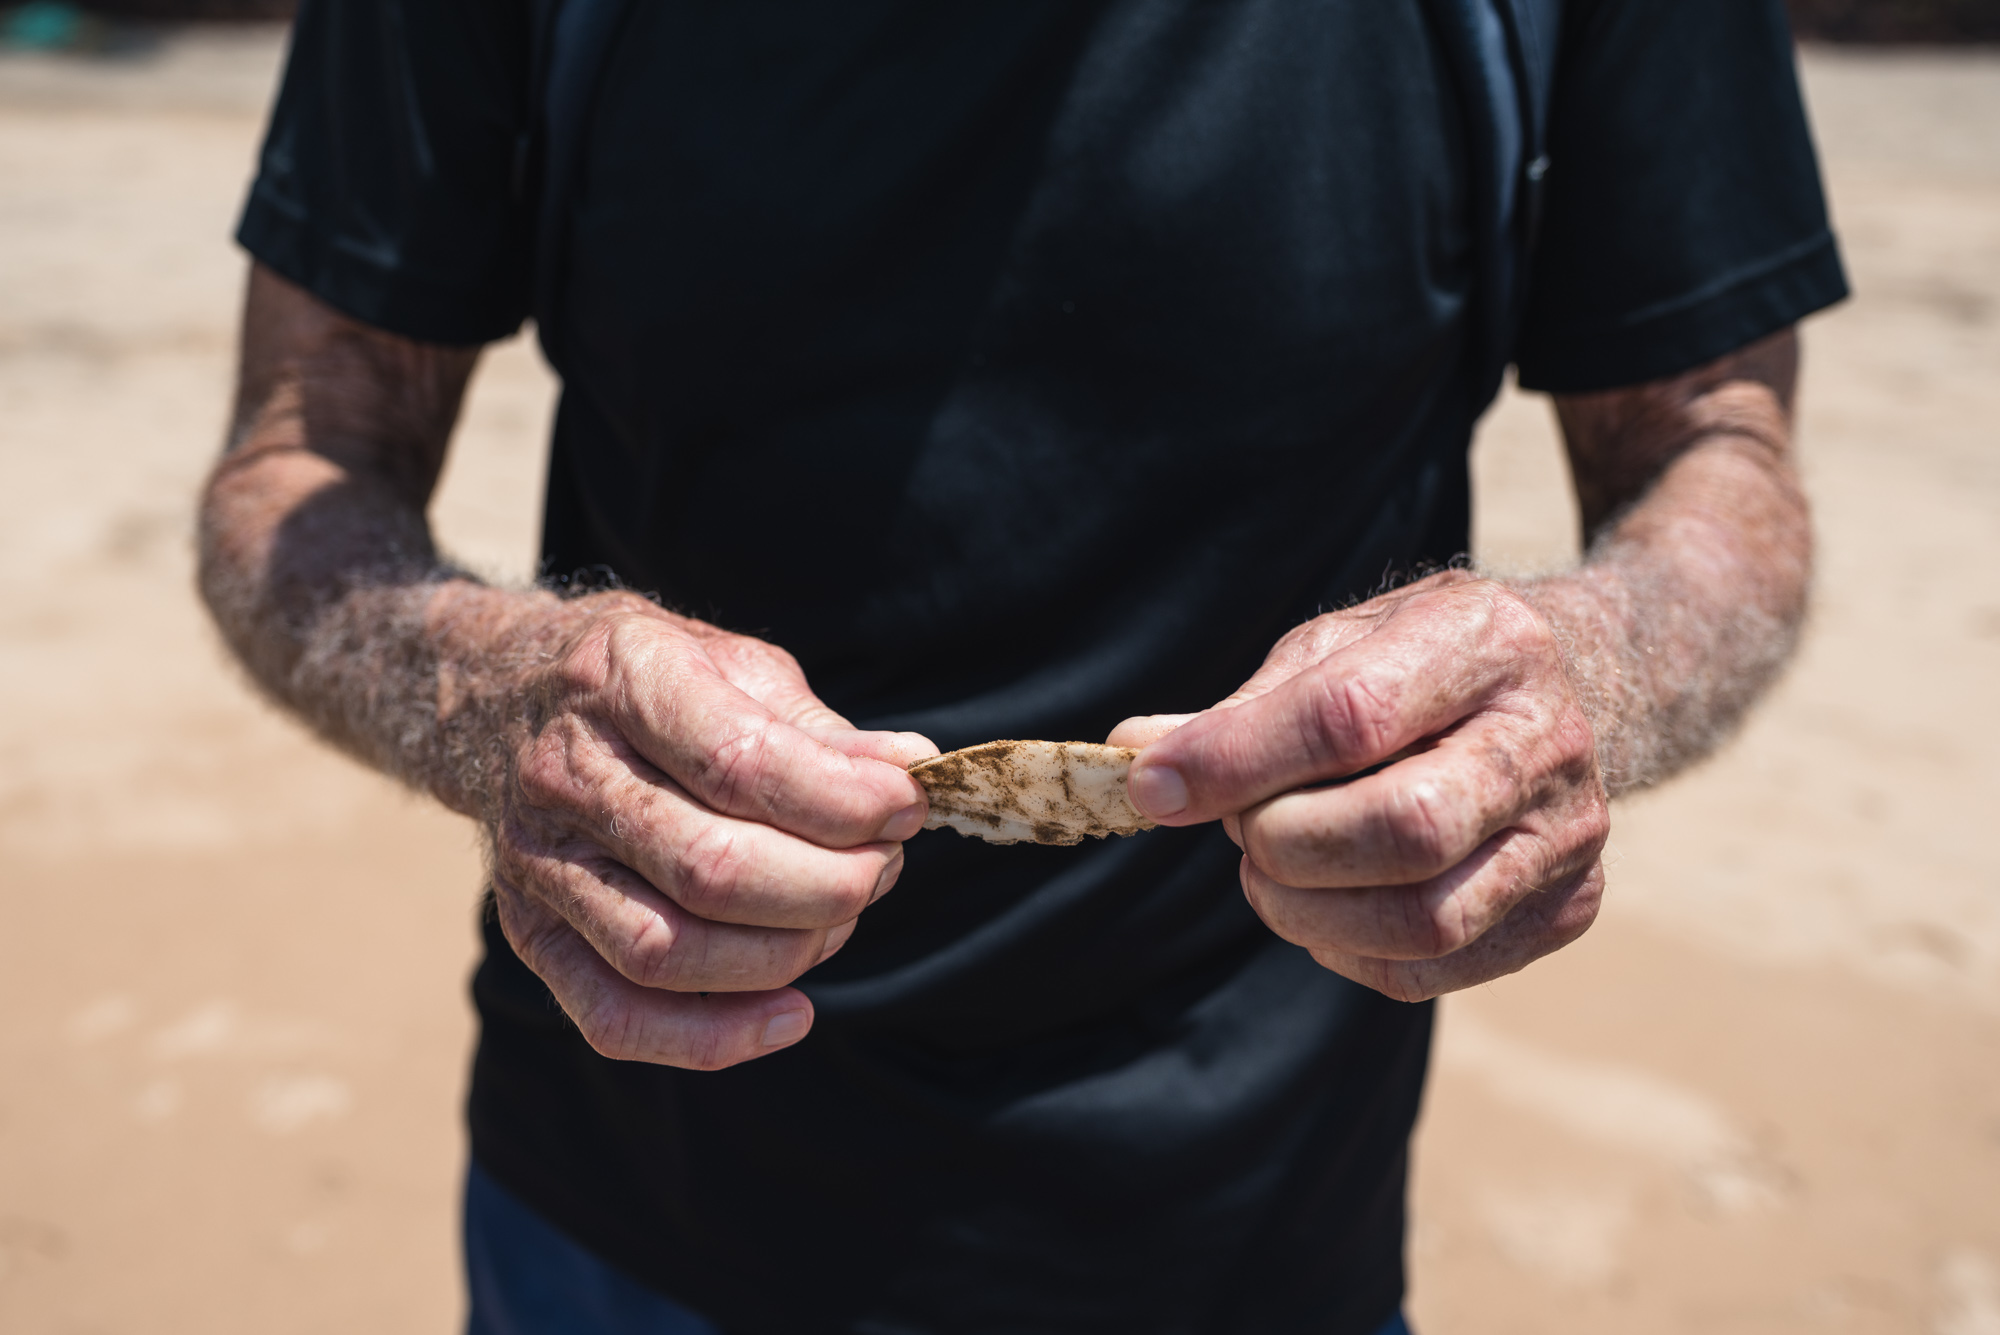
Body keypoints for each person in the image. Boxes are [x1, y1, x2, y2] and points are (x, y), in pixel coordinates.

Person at [196, 0, 1845, 1330]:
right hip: (637, 1193)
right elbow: (294, 464)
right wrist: (494, 696)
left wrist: (1587, 672)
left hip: (1257, 1222)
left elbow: (1721, 455)